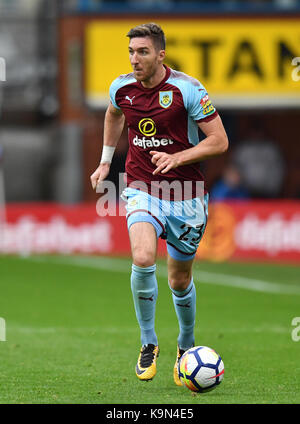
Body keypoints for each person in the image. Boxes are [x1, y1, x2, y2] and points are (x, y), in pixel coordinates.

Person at [90, 23, 228, 385]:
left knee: (179, 280)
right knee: (142, 257)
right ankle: (148, 341)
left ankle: (185, 343)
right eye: (132, 52)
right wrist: (106, 161)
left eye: (143, 52)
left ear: (161, 54)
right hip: (142, 186)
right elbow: (113, 114)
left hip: (186, 195)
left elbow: (219, 141)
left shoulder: (187, 89)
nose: (135, 59)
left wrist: (180, 158)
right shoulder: (121, 87)